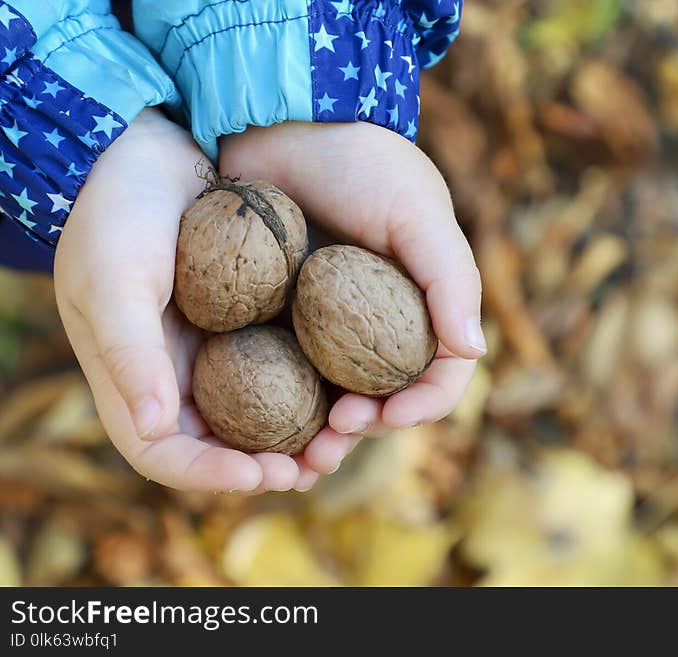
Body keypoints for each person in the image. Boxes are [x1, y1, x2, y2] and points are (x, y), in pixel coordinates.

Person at [0, 0, 483, 494]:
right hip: (39, 156)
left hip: (79, 146)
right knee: (104, 281)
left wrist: (297, 94)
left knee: (112, 289)